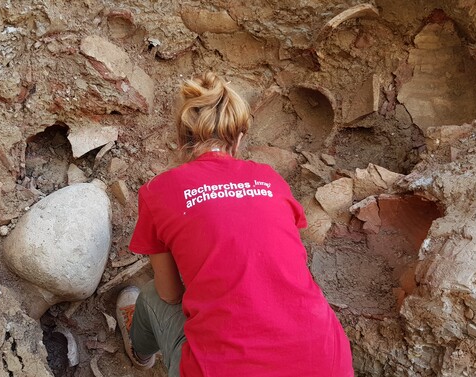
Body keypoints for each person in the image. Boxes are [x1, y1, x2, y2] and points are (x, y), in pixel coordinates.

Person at [115, 71, 354, 377]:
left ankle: (140, 353)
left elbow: (170, 293)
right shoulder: (271, 180)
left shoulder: (159, 191)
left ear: (180, 137)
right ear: (239, 137)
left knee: (150, 295)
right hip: (327, 361)